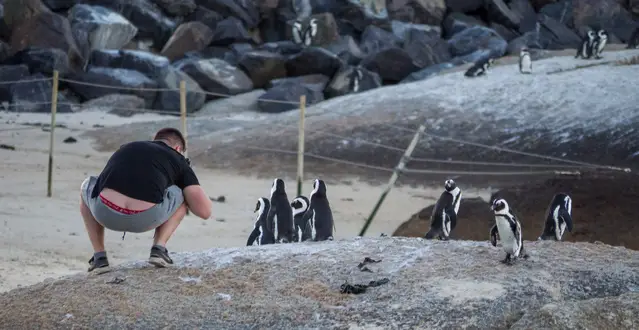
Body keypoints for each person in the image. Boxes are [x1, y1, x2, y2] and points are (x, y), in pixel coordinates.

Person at [79, 127, 212, 274]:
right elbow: (204, 212)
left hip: (105, 213)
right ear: (178, 148)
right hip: (146, 218)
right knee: (182, 192)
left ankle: (99, 257)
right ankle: (159, 249)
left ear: (155, 140)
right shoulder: (177, 158)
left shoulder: (127, 147)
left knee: (88, 184)